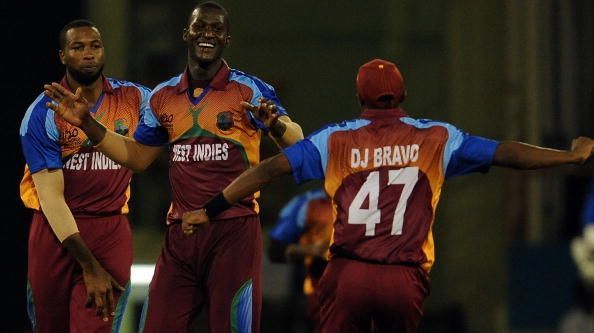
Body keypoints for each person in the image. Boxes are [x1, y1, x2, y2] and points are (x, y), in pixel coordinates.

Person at [181, 58, 594, 332]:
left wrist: (211, 208)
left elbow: (268, 170)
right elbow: (507, 153)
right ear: (404, 95)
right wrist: (570, 157)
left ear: (360, 98)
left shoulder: (336, 139)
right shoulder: (437, 137)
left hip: (347, 276)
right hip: (404, 277)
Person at [42, 2, 304, 332]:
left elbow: (297, 142)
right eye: (201, 27)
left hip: (233, 233)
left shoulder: (249, 90)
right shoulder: (163, 96)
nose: (208, 34)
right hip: (181, 236)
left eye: (216, 29)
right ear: (186, 34)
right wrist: (88, 124)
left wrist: (277, 126)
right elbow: (137, 158)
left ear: (227, 39)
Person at [19, 19, 149, 332]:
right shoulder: (42, 113)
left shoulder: (136, 99)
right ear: (63, 55)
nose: (88, 53)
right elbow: (51, 199)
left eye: (95, 46)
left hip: (110, 228)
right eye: (78, 47)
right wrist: (89, 265)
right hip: (56, 233)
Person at [268, 188, 333, 332]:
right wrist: (312, 251)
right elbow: (275, 250)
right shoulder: (309, 202)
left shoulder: (373, 198)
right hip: (312, 291)